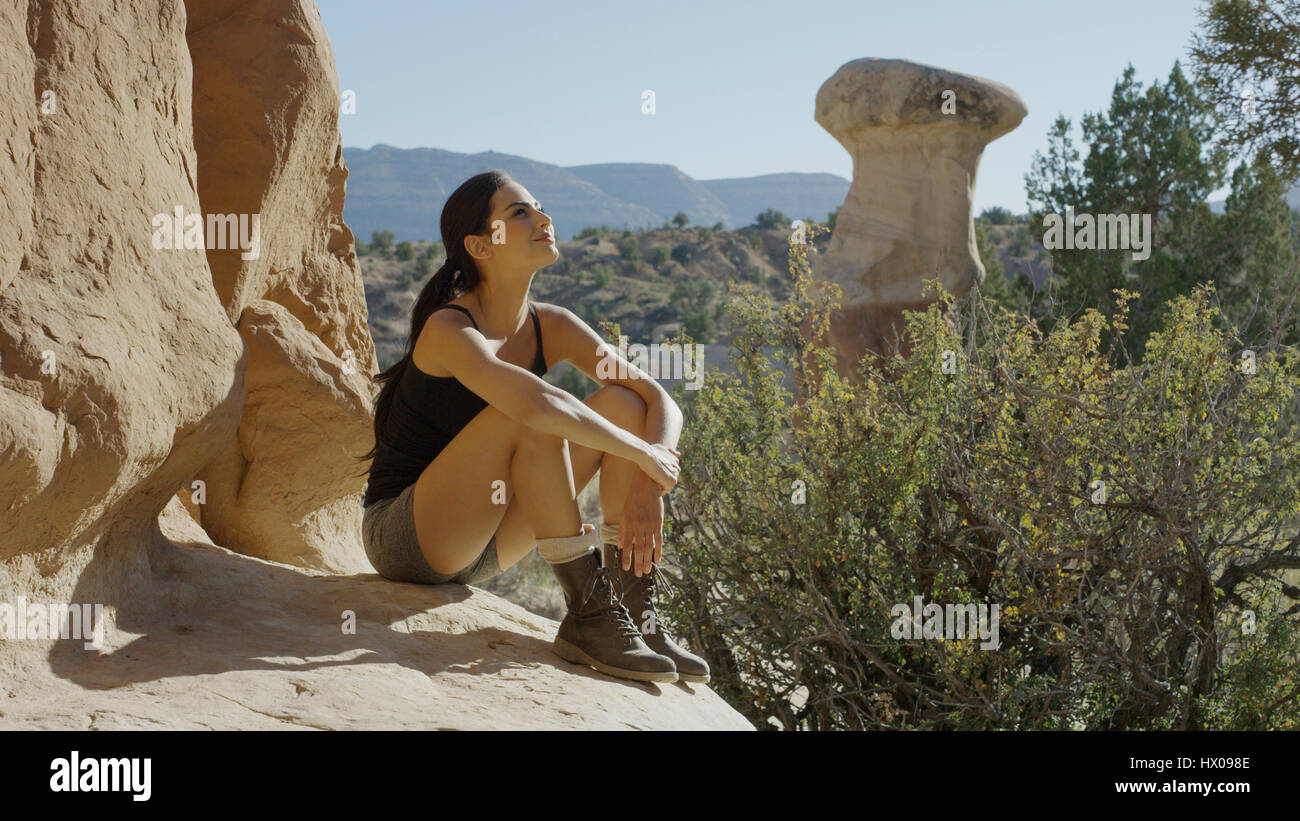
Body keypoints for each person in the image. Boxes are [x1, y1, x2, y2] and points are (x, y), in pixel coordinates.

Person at [357, 170, 709, 685]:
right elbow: (537, 406)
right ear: (479, 245)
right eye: (519, 212)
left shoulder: (553, 325)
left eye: (539, 207)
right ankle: (589, 615)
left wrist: (650, 475)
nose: (544, 219)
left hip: (488, 541)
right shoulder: (449, 328)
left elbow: (660, 400)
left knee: (624, 403)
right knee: (528, 409)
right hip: (409, 537)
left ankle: (636, 614)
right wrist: (640, 455)